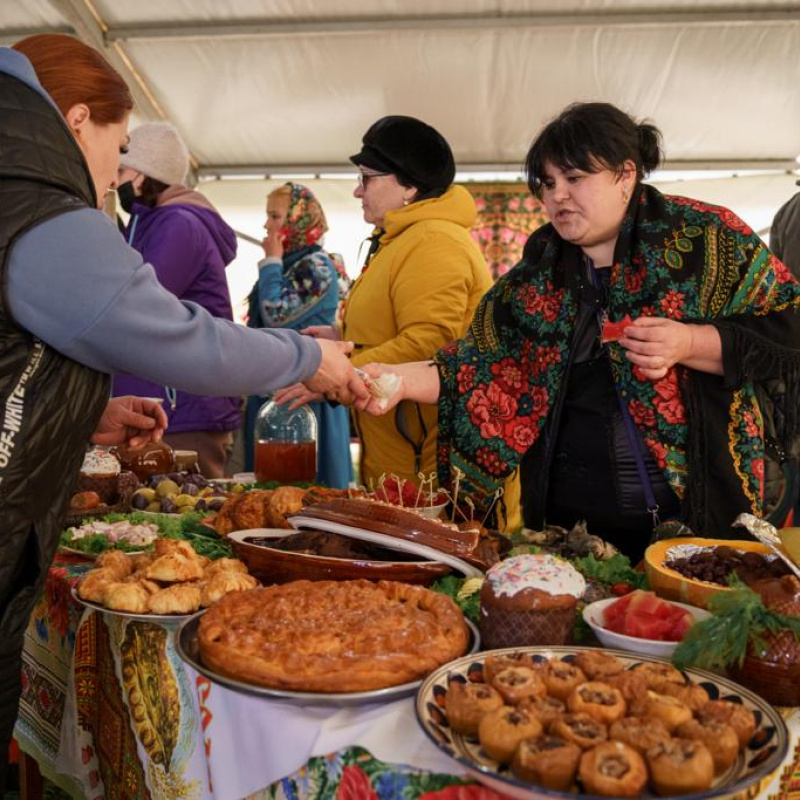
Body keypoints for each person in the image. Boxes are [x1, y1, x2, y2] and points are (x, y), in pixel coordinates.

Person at [0, 33, 365, 782]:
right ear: (75, 121)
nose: (118, 167)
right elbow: (172, 334)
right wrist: (307, 356)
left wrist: (81, 416)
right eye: (118, 141)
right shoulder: (36, 203)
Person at [356, 102, 800, 563]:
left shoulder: (706, 241)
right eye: (548, 183)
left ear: (626, 175)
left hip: (699, 523)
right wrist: (396, 381)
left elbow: (789, 324)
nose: (557, 196)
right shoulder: (537, 275)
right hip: (569, 534)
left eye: (574, 178)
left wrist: (691, 342)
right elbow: (477, 367)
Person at [277, 115, 493, 490]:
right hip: (401, 450)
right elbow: (398, 324)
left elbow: (432, 344)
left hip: (428, 461)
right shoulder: (403, 239)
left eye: (366, 178)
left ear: (408, 185)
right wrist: (344, 336)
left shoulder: (433, 241)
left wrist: (338, 372)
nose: (358, 192)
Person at [112, 122, 241, 477]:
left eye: (120, 170)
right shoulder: (150, 223)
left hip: (183, 408)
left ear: (141, 174)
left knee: (188, 521)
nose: (114, 181)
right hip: (167, 406)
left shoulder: (178, 224)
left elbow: (141, 305)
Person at [243, 183, 352, 487]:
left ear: (298, 220)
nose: (267, 225)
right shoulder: (296, 265)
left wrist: (271, 262)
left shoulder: (317, 266)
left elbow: (276, 315)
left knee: (306, 487)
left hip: (306, 396)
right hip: (279, 390)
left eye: (275, 216)